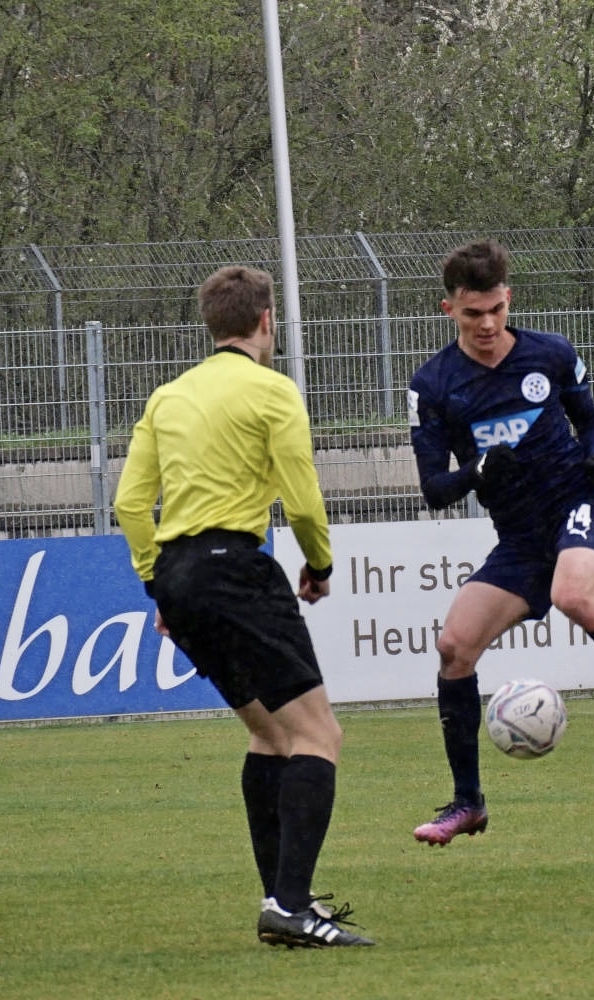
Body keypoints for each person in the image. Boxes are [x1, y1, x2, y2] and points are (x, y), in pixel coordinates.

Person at [113, 265, 373, 949]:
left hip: (180, 576)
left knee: (270, 736)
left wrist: (160, 584)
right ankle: (292, 906)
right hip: (235, 568)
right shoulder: (272, 390)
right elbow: (303, 500)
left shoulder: (168, 397)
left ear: (211, 325)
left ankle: (280, 901)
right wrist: (319, 565)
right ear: (265, 321)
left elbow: (130, 505)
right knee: (319, 737)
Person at [407, 239, 594, 846]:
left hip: (579, 504)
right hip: (520, 538)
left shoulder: (551, 353)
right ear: (449, 309)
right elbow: (435, 489)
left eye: (496, 309)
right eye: (473, 313)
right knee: (453, 647)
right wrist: (477, 472)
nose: (487, 324)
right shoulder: (434, 385)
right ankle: (468, 803)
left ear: (508, 299)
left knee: (573, 594)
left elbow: (591, 421)